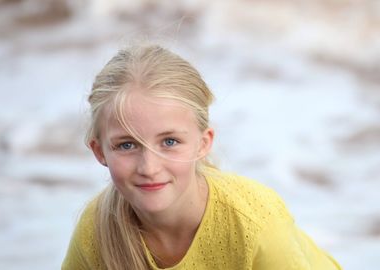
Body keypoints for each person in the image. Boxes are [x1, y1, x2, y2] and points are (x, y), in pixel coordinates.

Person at [62, 43, 342, 270]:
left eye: (169, 141)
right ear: (99, 151)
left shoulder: (255, 224)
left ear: (203, 143)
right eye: (126, 145)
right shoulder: (97, 230)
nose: (149, 167)